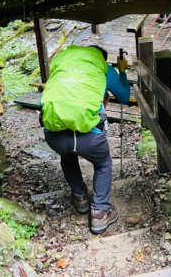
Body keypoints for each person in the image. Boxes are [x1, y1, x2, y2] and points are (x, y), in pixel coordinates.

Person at [40, 44, 130, 234]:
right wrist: (121, 71)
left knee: (67, 155)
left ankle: (80, 196)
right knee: (103, 163)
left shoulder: (61, 64)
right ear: (101, 58)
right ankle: (99, 212)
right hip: (89, 140)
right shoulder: (103, 68)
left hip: (55, 136)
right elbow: (124, 96)